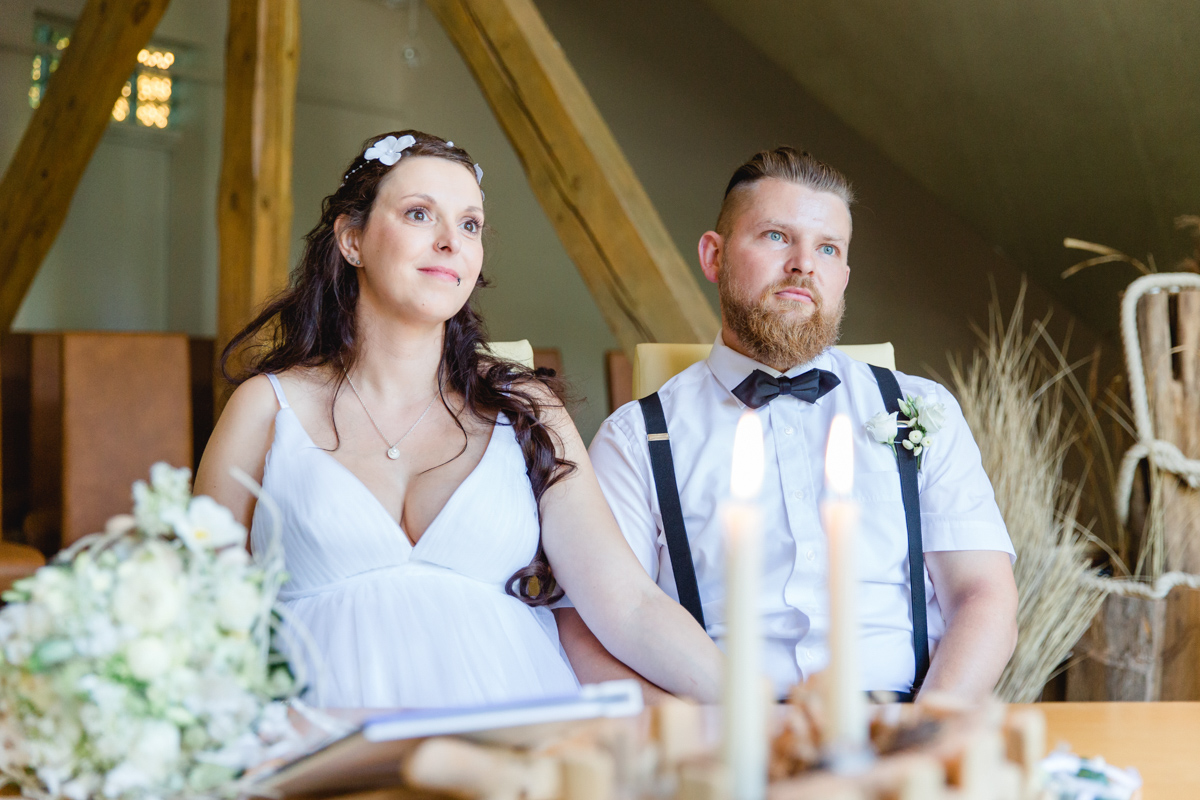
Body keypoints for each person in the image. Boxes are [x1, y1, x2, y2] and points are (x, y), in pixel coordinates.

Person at [195, 131, 721, 709]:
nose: (451, 241)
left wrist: (755, 710)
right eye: (420, 214)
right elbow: (199, 616)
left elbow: (628, 604)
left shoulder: (527, 408)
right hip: (314, 741)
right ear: (352, 240)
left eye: (469, 225)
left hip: (511, 730)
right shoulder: (267, 407)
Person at [556, 147, 1018, 702]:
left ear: (843, 276)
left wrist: (928, 730)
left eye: (827, 247)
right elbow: (586, 629)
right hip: (720, 741)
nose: (803, 263)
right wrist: (696, 740)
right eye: (777, 236)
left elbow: (983, 595)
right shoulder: (635, 439)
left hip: (905, 725)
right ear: (713, 256)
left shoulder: (921, 406)